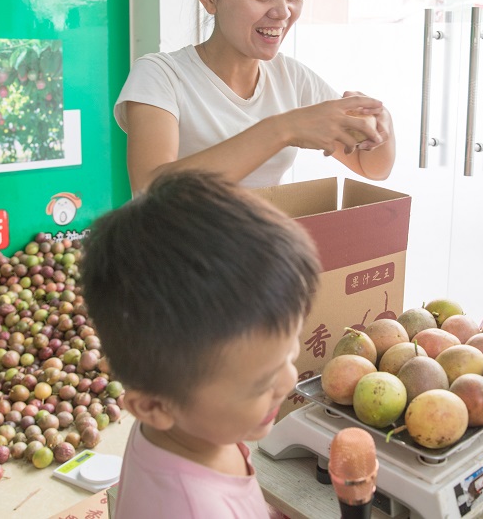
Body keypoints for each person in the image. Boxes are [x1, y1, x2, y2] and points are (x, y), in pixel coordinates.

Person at [115, 0, 396, 191]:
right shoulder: (161, 76)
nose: (282, 11)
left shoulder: (292, 79)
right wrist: (283, 129)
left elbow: (373, 168)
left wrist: (381, 126)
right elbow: (149, 190)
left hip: (263, 240)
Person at [80, 170, 320, 518]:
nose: (288, 381)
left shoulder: (184, 427)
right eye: (261, 385)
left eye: (290, 353)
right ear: (153, 406)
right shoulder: (194, 508)